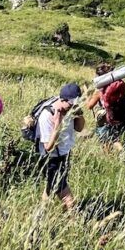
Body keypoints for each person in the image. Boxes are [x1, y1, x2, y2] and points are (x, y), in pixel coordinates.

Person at [37, 82, 85, 210]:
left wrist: (79, 113)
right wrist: (57, 125)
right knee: (70, 200)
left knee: (49, 188)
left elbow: (79, 128)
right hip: (51, 160)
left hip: (64, 154)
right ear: (62, 100)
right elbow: (48, 147)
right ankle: (74, 224)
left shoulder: (71, 109)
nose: (73, 107)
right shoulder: (47, 116)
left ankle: (41, 215)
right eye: (71, 104)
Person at [84, 63, 125, 152]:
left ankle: (118, 152)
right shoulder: (119, 85)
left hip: (107, 120)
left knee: (106, 139)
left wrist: (87, 96)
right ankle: (120, 151)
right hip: (121, 116)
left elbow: (89, 106)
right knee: (115, 137)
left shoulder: (99, 91)